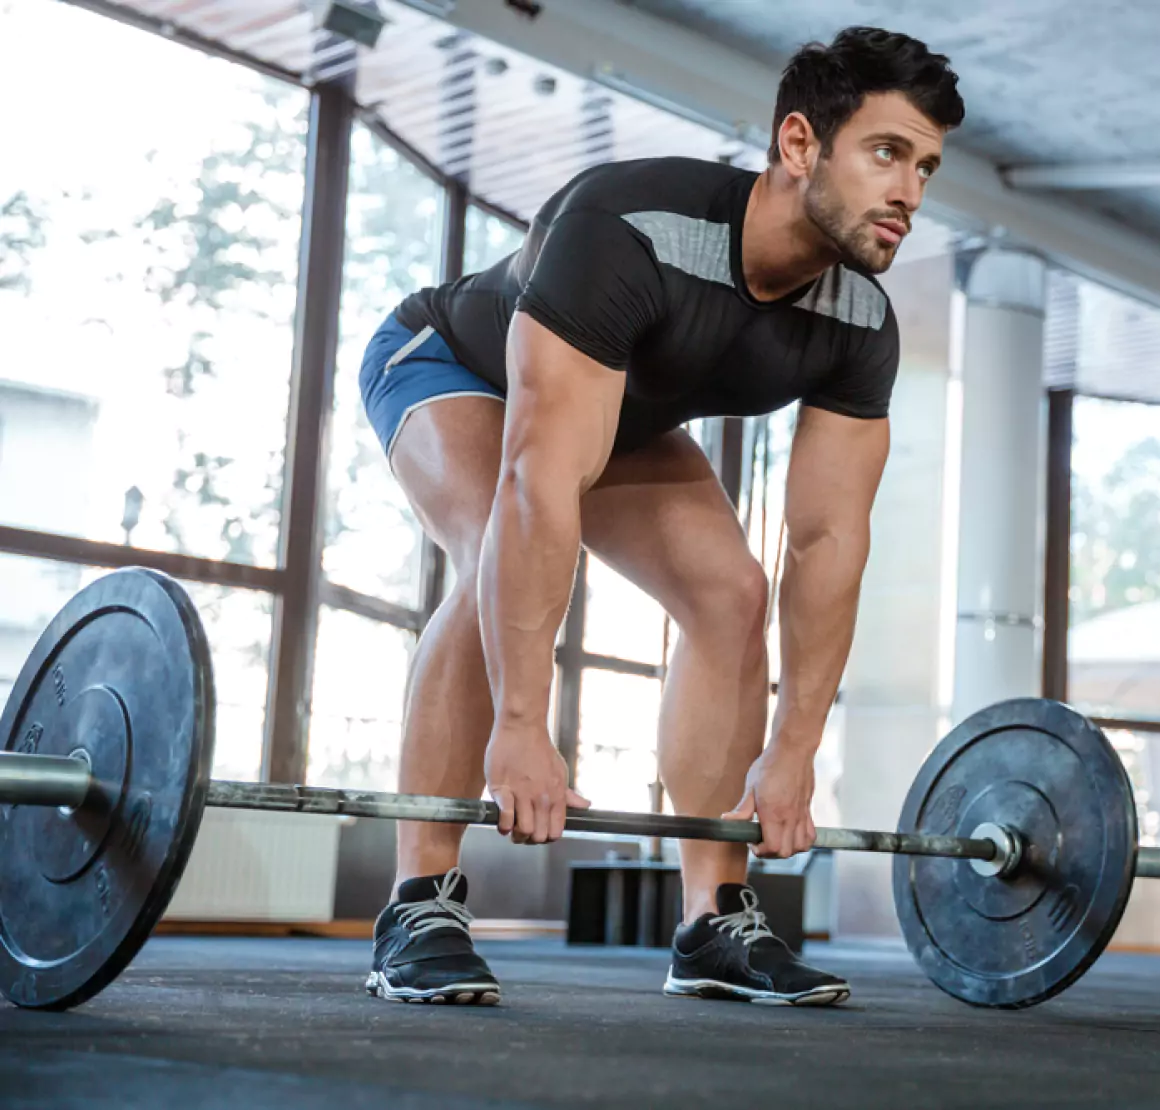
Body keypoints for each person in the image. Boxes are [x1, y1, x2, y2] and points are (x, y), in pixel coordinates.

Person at [359, 25, 964, 1008]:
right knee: (488, 562)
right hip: (453, 368)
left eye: (927, 167)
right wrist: (521, 723)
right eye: (888, 153)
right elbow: (534, 483)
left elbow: (827, 542)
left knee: (733, 596)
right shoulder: (631, 223)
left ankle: (712, 920)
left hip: (617, 414)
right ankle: (419, 901)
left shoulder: (858, 322)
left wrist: (796, 751)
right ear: (800, 143)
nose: (910, 193)